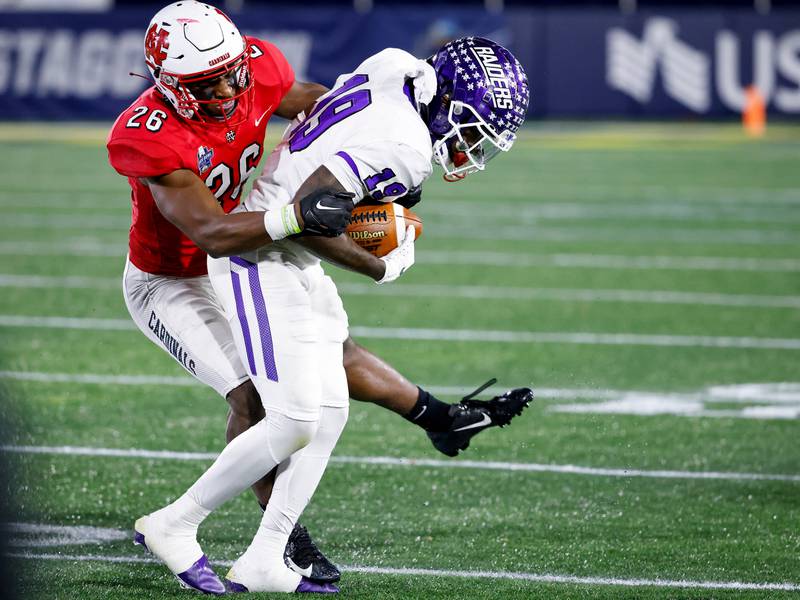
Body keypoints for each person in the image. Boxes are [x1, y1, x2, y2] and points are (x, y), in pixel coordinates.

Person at [108, 0, 531, 588]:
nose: (233, 87)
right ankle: (214, 530)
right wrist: (341, 227)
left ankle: (270, 551)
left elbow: (319, 106)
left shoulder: (254, 70)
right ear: (171, 84)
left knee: (326, 386)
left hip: (261, 244)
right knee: (262, 398)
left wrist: (358, 164)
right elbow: (215, 232)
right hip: (176, 277)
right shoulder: (149, 136)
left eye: (236, 71)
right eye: (211, 82)